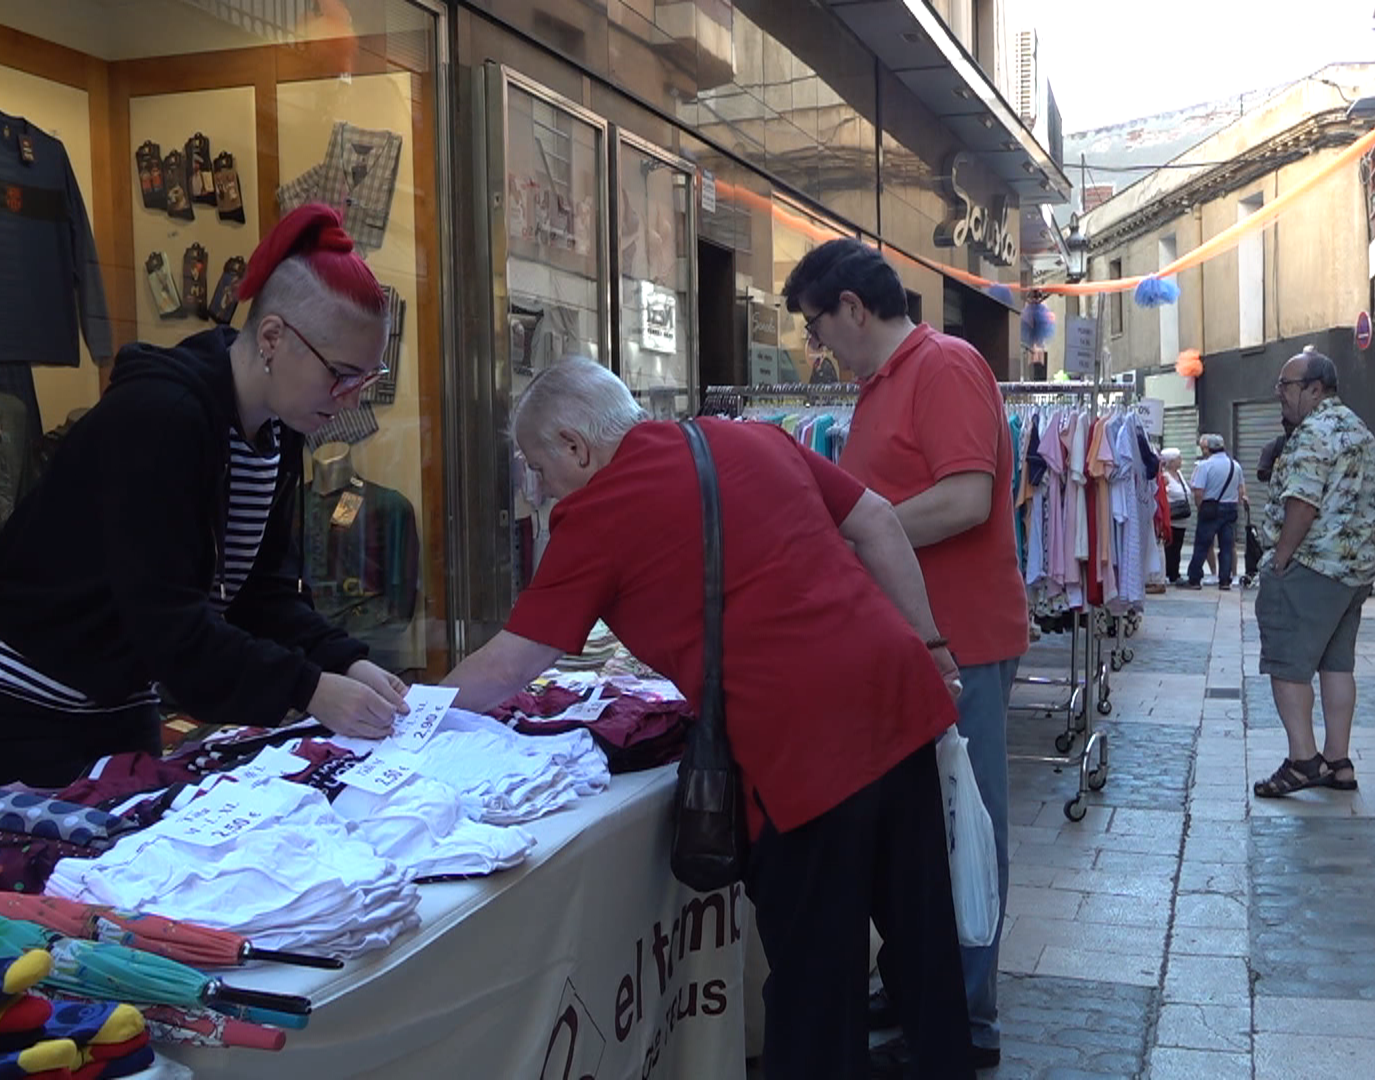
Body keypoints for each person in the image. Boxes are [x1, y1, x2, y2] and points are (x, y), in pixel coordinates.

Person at [440, 359, 975, 1080]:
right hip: (897, 694)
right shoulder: (747, 436)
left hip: (802, 747)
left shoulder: (599, 511)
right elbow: (876, 521)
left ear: (575, 446)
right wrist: (934, 643)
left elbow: (509, 665)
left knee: (818, 981)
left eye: (540, 466)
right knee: (922, 943)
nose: (541, 487)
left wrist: (416, 713)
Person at [0, 204, 409, 787]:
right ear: (273, 337)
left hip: (117, 704)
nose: (351, 399)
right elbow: (171, 626)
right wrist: (309, 688)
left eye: (366, 381)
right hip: (9, 713)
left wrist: (343, 659)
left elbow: (261, 595)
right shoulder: (160, 420)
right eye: (342, 375)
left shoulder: (276, 432)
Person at [781, 237, 1027, 1073]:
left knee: (966, 826)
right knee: (918, 835)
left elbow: (968, 497)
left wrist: (853, 540)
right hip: (908, 647)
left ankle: (968, 1017)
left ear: (852, 307)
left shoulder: (946, 365)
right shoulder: (878, 388)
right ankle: (923, 985)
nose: (820, 349)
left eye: (817, 328)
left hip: (960, 641)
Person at [1252, 348, 1375, 797]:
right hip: (1353, 573)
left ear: (1314, 388)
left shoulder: (1312, 433)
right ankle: (1338, 761)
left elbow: (1302, 504)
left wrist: (1281, 561)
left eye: (1286, 386)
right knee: (1337, 665)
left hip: (1310, 567)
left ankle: (1303, 761)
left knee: (1288, 666)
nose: (1279, 395)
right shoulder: (1359, 429)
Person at [1182, 433, 1246, 590]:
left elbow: (1198, 491)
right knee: (1226, 545)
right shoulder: (1235, 465)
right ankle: (1225, 580)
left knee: (1202, 544)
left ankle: (1195, 579)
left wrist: (1200, 507)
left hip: (1210, 508)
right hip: (1230, 508)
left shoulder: (1205, 466)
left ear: (1208, 449)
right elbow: (1241, 489)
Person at [1161, 448, 1192, 583]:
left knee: (1178, 547)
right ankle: (1168, 572)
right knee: (1169, 546)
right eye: (1178, 458)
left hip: (1182, 518)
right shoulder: (1164, 476)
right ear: (1171, 461)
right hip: (1172, 517)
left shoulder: (1179, 474)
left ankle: (1175, 572)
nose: (1181, 461)